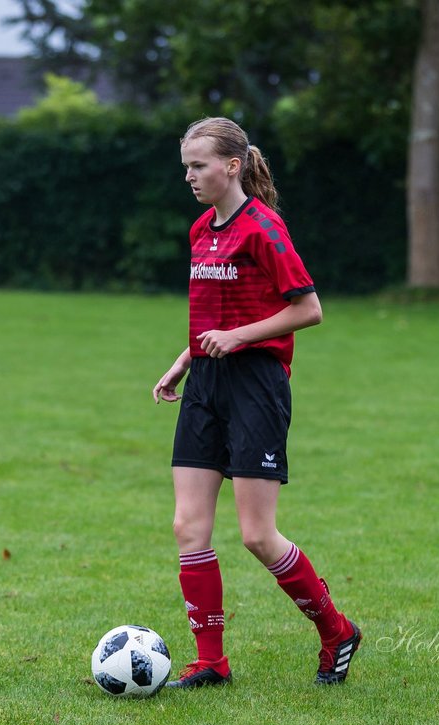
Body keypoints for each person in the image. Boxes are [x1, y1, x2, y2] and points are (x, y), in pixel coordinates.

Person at [152, 117, 361, 688]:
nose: (190, 177)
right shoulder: (202, 231)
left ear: (232, 166)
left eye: (198, 166)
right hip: (207, 385)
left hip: (256, 388)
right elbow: (214, 317)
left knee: (256, 535)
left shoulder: (263, 229)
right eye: (186, 167)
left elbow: (308, 308)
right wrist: (185, 359)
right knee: (188, 526)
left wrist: (240, 338)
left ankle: (336, 630)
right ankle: (210, 661)